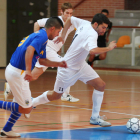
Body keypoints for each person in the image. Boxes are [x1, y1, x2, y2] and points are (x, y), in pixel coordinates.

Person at [27, 14, 116, 127]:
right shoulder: (92, 34)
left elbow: (70, 20)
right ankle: (32, 102)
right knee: (56, 96)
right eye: (103, 27)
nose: (104, 30)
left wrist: (63, 36)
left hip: (81, 65)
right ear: (95, 24)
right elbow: (93, 50)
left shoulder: (84, 23)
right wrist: (108, 48)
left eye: (106, 28)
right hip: (67, 68)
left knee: (100, 85)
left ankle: (95, 117)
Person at [0, 17, 67, 138]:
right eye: (58, 32)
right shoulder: (42, 37)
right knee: (26, 109)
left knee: (19, 103)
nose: (58, 35)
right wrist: (28, 70)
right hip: (18, 73)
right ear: (52, 28)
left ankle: (7, 129)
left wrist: (58, 64)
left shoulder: (41, 36)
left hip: (14, 70)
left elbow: (42, 60)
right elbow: (29, 50)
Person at [4, 2, 79, 103]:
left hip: (49, 52)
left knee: (34, 75)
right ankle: (65, 94)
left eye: (71, 13)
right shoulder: (54, 21)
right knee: (67, 65)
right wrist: (37, 38)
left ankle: (11, 86)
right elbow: (37, 23)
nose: (69, 15)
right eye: (67, 13)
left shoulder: (72, 22)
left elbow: (81, 28)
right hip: (48, 49)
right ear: (61, 12)